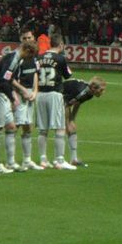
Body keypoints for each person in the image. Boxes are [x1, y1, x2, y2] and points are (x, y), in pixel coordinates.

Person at [0, 40, 39, 173]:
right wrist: (13, 97)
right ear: (27, 51)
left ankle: (10, 162)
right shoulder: (13, 59)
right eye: (31, 55)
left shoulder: (15, 58)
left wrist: (13, 95)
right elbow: (3, 81)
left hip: (3, 94)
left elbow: (8, 80)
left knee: (11, 126)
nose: (30, 59)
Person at [36, 34, 75, 169]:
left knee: (42, 129)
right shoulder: (60, 58)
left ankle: (42, 159)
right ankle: (59, 160)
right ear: (61, 45)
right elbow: (68, 75)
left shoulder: (38, 57)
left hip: (40, 94)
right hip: (54, 94)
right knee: (59, 128)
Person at [12, 29, 40, 170]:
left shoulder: (34, 56)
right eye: (25, 38)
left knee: (28, 127)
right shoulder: (17, 57)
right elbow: (10, 79)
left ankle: (27, 160)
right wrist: (20, 93)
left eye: (30, 37)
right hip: (18, 94)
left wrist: (35, 91)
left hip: (30, 94)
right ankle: (10, 161)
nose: (28, 40)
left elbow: (35, 74)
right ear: (21, 39)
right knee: (15, 127)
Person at [63, 76, 107, 167]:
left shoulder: (89, 94)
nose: (103, 92)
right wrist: (67, 122)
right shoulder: (81, 91)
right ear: (94, 88)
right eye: (101, 90)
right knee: (64, 129)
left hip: (65, 101)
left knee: (72, 128)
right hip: (58, 100)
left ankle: (73, 159)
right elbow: (66, 104)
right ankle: (59, 160)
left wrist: (72, 119)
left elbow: (78, 102)